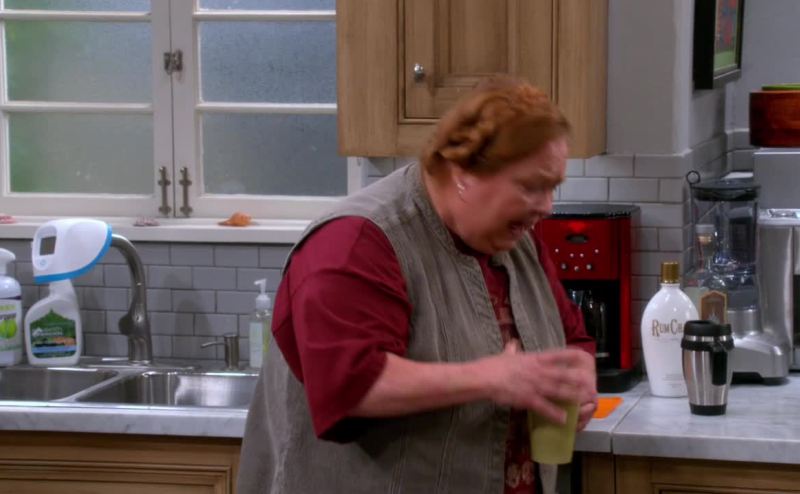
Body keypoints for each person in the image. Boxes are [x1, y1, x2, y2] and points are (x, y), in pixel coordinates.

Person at [237, 76, 598, 494]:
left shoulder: (516, 242)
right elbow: (349, 388)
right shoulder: (356, 243)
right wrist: (490, 377)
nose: (547, 206)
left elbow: (569, 337)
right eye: (531, 186)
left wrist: (578, 379)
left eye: (553, 188)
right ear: (464, 172)